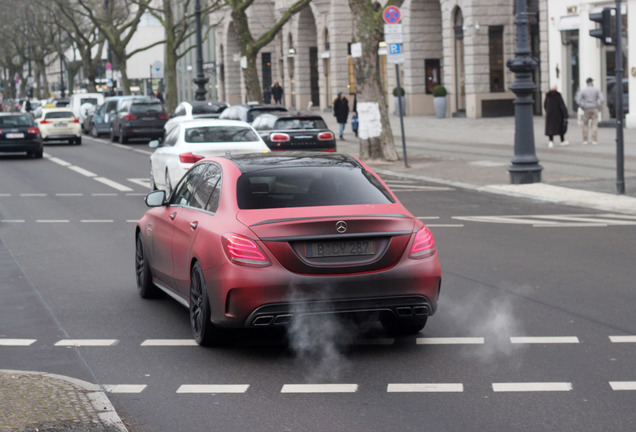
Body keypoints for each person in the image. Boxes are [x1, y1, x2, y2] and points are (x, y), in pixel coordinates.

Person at [576, 77, 604, 145]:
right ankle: (594, 139)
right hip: (594, 108)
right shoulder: (596, 90)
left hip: (586, 108)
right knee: (594, 124)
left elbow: (578, 100)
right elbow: (602, 99)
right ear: (591, 82)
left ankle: (585, 140)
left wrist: (582, 106)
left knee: (585, 124)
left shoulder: (583, 90)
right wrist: (599, 107)